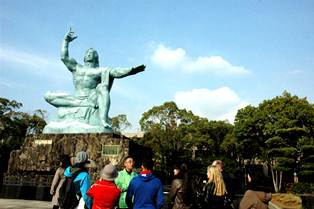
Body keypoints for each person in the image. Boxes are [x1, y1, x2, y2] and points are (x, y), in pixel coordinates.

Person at [44, 28, 145, 130]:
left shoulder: (100, 71)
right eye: (87, 52)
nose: (88, 53)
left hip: (91, 98)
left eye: (91, 52)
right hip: (75, 99)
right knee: (48, 96)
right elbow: (64, 57)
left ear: (96, 57)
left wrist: (131, 70)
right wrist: (65, 41)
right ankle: (82, 104)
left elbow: (115, 72)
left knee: (102, 88)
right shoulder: (76, 68)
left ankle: (103, 119)